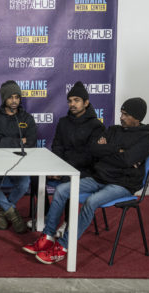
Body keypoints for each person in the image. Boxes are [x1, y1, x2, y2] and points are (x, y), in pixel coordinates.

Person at [24, 97, 149, 265]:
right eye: (121, 113)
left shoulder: (146, 138)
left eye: (126, 114)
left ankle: (62, 247)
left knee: (91, 202)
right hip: (100, 177)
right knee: (62, 190)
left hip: (122, 184)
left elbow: (126, 159)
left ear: (137, 118)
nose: (121, 117)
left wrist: (111, 151)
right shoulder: (114, 129)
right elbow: (94, 149)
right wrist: (118, 150)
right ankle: (48, 236)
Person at [36, 81, 105, 234]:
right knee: (36, 178)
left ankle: (67, 222)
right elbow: (57, 146)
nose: (72, 104)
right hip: (63, 166)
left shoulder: (96, 126)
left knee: (67, 182)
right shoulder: (63, 122)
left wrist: (64, 168)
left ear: (86, 103)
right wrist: (57, 167)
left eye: (77, 100)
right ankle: (47, 217)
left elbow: (91, 154)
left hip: (86, 171)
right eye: (70, 101)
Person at [0, 80, 37, 234]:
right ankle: (12, 213)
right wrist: (18, 141)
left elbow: (31, 143)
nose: (14, 101)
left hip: (19, 163)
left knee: (24, 183)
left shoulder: (26, 118)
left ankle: (3, 209)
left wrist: (2, 142)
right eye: (10, 97)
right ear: (4, 98)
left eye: (17, 97)